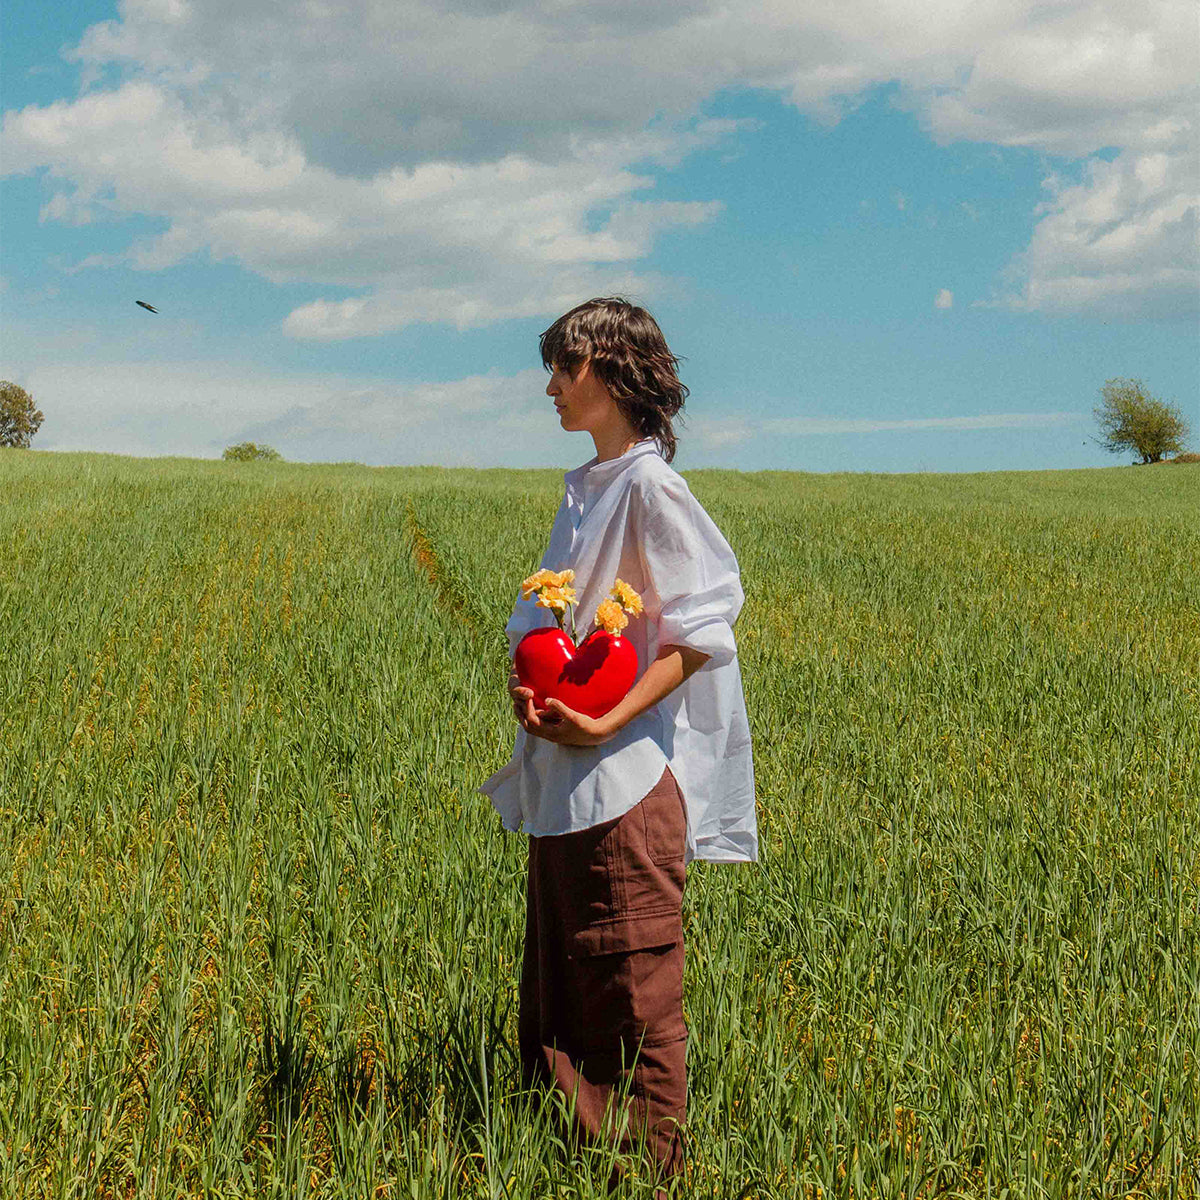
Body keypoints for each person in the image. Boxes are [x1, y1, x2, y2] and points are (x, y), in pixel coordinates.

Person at [480, 297, 757, 1188]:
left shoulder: (649, 487)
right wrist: (538, 688)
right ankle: (565, 1166)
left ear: (615, 372)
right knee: (563, 990)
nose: (552, 387)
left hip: (627, 785)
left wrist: (604, 719)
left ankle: (647, 1178)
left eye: (567, 368)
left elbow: (701, 629)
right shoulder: (587, 488)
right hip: (569, 781)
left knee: (629, 995)